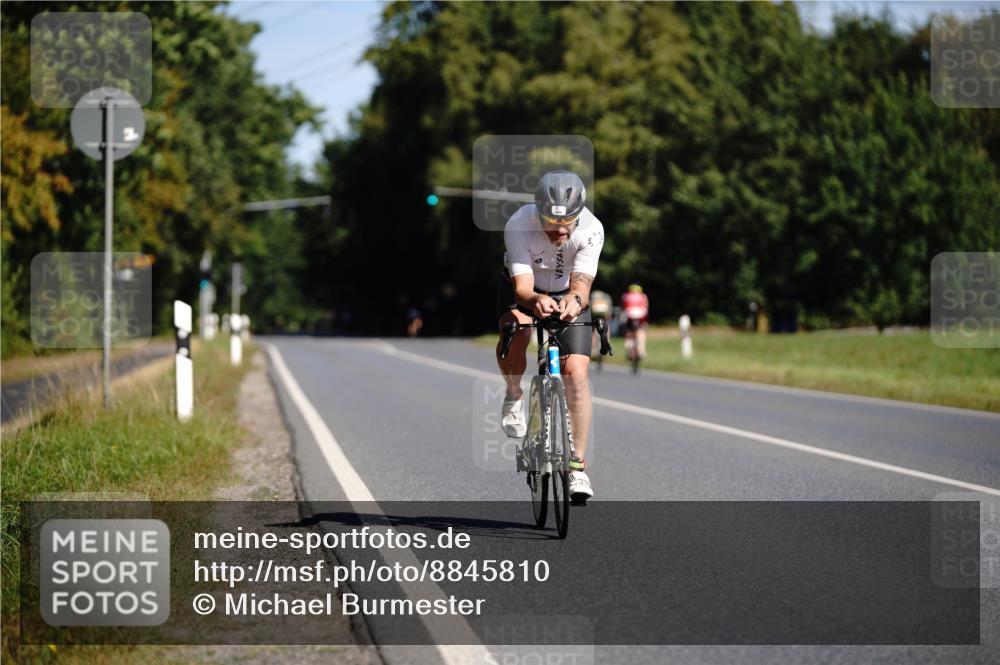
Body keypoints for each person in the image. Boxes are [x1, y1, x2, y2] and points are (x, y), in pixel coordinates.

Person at [495, 170, 604, 503]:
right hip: (527, 291)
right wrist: (535, 302)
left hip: (567, 294)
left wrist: (573, 302)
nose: (558, 230)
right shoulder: (518, 224)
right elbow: (524, 288)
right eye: (550, 222)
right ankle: (514, 393)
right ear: (538, 211)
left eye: (566, 222)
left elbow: (582, 287)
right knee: (516, 326)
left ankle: (577, 467)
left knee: (577, 377)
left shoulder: (592, 229)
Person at [621, 284, 649, 359]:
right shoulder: (643, 296)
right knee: (641, 331)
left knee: (628, 331)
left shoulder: (625, 295)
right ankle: (641, 350)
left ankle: (629, 348)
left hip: (629, 315)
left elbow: (623, 307)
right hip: (641, 315)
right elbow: (646, 307)